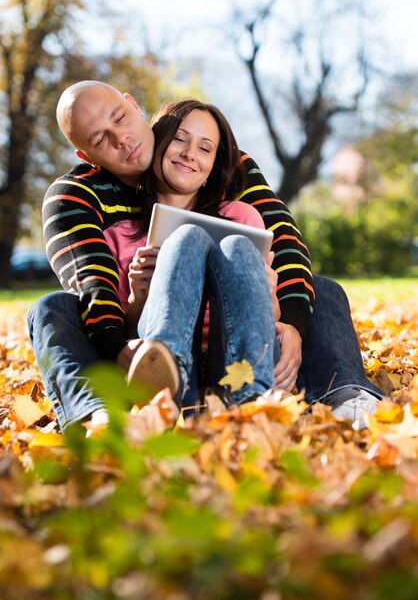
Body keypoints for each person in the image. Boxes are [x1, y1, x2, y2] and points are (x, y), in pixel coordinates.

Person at [27, 80, 383, 431]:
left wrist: (291, 322)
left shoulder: (221, 164)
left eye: (119, 118)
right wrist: (121, 345)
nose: (121, 139)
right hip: (132, 339)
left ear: (133, 104)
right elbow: (93, 283)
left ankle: (343, 392)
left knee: (321, 290)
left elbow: (283, 238)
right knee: (52, 309)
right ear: (86, 156)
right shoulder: (74, 195)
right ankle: (96, 416)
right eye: (100, 139)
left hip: (230, 331)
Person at [103, 98, 281, 406]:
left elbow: (271, 318)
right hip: (161, 362)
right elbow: (125, 335)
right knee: (187, 238)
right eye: (179, 139)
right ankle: (165, 386)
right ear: (157, 142)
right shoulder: (118, 234)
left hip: (229, 354)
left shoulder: (242, 217)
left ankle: (252, 402)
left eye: (205, 148)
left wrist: (268, 293)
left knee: (235, 246)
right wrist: (139, 297)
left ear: (213, 165)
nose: (189, 154)